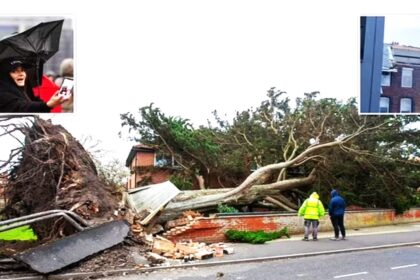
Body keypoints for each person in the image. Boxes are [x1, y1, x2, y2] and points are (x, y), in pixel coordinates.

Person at [0, 59, 65, 113]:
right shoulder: (3, 95)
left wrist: (39, 102)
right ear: (5, 76)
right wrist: (47, 105)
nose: (21, 74)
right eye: (14, 71)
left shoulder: (26, 92)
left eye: (22, 70)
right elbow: (21, 107)